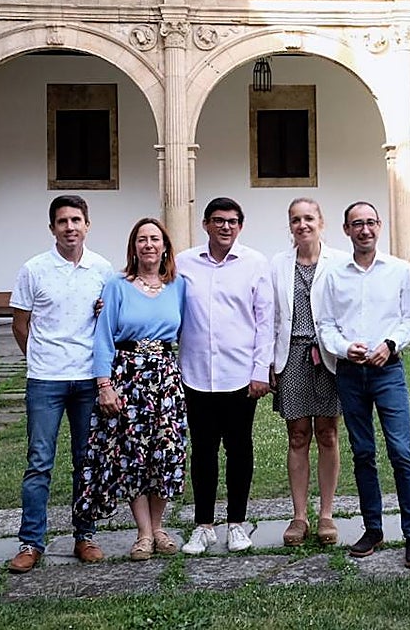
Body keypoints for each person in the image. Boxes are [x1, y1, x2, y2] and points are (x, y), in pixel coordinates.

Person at [315, 201, 410, 569]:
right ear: (346, 231)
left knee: (401, 451)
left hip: (388, 370)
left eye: (370, 222)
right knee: (362, 452)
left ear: (379, 226)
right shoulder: (333, 274)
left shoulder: (399, 269)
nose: (364, 230)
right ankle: (373, 529)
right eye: (356, 224)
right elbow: (326, 324)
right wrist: (346, 347)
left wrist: (389, 345)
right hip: (350, 373)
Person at [6, 195, 113, 573]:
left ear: (87, 225)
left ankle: (85, 534)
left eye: (76, 220)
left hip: (87, 379)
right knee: (39, 462)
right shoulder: (33, 269)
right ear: (52, 227)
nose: (70, 227)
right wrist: (38, 358)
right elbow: (21, 324)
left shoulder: (103, 269)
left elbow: (109, 322)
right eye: (63, 221)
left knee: (87, 462)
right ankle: (31, 542)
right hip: (46, 380)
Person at [76, 217, 187, 561]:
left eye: (155, 239)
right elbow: (104, 337)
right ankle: (142, 532)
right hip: (129, 378)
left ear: (165, 246)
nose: (149, 245)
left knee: (166, 454)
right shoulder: (117, 285)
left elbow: (187, 331)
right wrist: (104, 385)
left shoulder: (178, 286)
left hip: (166, 379)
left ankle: (158, 528)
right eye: (142, 239)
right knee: (134, 456)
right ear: (134, 247)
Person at [178, 198, 274, 556]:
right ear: (205, 224)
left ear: (241, 226)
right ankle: (203, 525)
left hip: (239, 375)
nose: (225, 227)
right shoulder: (185, 263)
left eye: (233, 221)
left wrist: (260, 370)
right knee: (202, 451)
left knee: (239, 449)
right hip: (196, 374)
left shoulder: (255, 263)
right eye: (218, 221)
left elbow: (265, 321)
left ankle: (236, 523)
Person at [270, 198, 349, 547]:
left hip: (330, 356)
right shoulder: (278, 264)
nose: (302, 225)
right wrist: (267, 363)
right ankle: (299, 515)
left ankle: (326, 514)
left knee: (328, 434)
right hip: (292, 356)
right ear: (289, 225)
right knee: (298, 435)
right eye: (295, 220)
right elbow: (270, 316)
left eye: (308, 218)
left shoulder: (340, 262)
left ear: (321, 221)